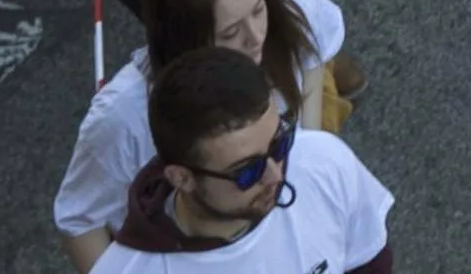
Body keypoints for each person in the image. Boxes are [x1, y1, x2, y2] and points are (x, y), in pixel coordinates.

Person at [53, 0, 355, 268]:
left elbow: (311, 54)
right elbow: (79, 220)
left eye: (258, 10)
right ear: (185, 39)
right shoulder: (124, 117)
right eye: (230, 32)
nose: (256, 37)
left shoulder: (288, 5)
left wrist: (311, 148)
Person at [97, 44, 394, 274]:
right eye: (247, 171)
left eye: (279, 145)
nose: (276, 176)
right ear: (182, 178)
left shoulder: (321, 160)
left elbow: (368, 260)